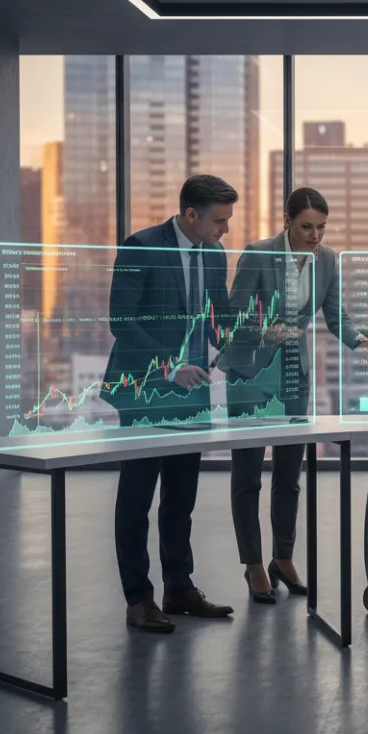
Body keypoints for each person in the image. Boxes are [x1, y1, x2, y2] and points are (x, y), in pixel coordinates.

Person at [218, 186, 368, 604]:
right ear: (287, 221)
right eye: (307, 226)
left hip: (293, 373)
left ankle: (282, 558)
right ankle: (253, 564)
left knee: (290, 475)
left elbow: (335, 316)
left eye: (322, 227)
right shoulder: (258, 252)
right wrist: (261, 331)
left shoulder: (327, 259)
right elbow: (231, 315)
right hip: (251, 372)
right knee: (248, 475)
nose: (316, 236)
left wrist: (365, 342)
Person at [102, 174, 237, 633]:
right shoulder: (141, 245)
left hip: (191, 391)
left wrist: (251, 334)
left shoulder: (214, 253)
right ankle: (139, 599)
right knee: (137, 498)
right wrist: (168, 367)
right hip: (144, 389)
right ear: (190, 214)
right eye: (219, 221)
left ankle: (179, 588)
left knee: (181, 497)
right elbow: (121, 319)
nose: (225, 231)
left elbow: (219, 316)